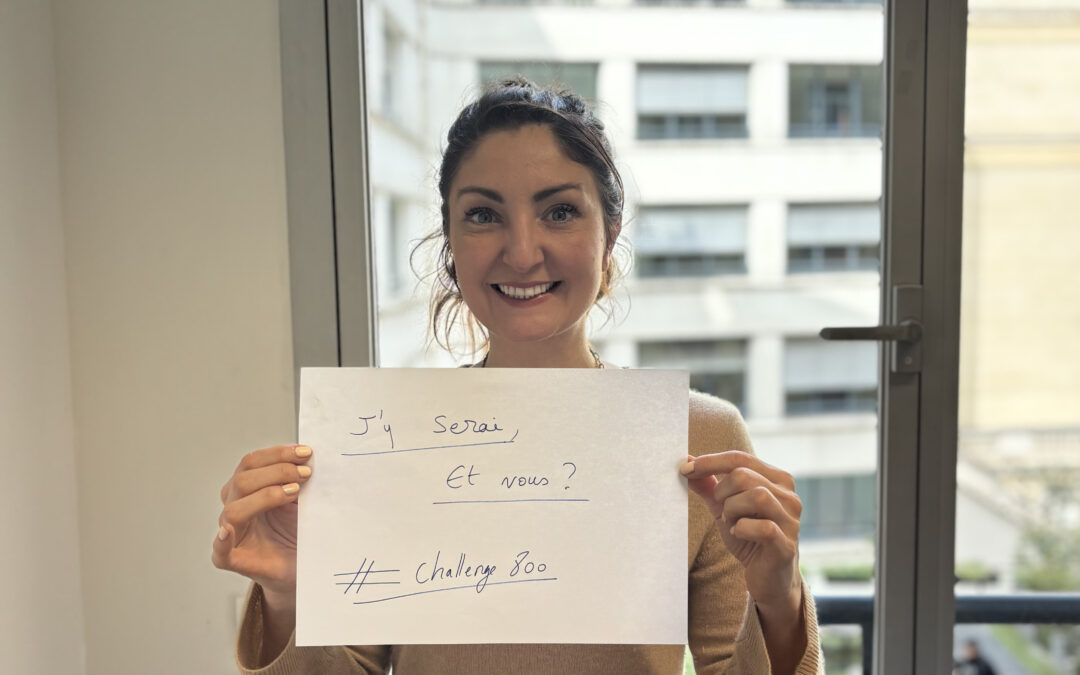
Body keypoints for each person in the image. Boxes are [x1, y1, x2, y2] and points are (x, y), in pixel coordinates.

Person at [212, 78, 823, 674]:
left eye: (560, 211)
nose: (523, 252)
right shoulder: (382, 442)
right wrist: (291, 598)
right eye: (484, 215)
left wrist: (780, 600)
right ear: (451, 243)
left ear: (609, 235)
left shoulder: (699, 438)